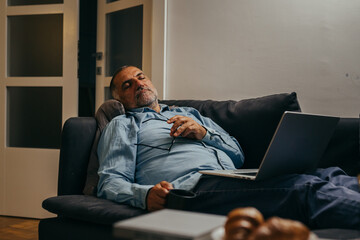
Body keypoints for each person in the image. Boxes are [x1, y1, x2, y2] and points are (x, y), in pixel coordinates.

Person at [97, 65, 360, 229]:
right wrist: (144, 195)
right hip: (191, 188)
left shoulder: (190, 113)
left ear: (151, 82)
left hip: (231, 177)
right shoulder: (124, 124)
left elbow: (237, 154)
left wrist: (204, 133)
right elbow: (110, 182)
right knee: (302, 189)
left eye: (140, 77)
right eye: (127, 85)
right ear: (121, 99)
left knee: (329, 174)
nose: (138, 84)